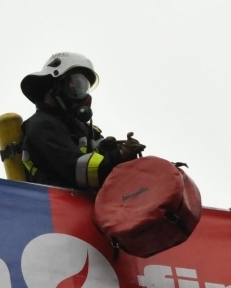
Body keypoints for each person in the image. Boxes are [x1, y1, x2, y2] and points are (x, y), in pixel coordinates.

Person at [20, 52, 144, 189]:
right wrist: (118, 156)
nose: (81, 94)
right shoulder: (41, 125)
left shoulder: (80, 127)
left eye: (83, 87)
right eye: (76, 84)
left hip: (89, 205)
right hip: (57, 206)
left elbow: (105, 159)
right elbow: (78, 170)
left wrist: (123, 151)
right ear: (54, 86)